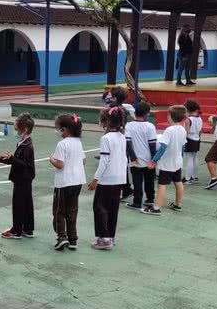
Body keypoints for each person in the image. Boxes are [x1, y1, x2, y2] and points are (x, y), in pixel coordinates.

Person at [88, 107, 127, 250]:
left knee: (100, 208)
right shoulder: (122, 136)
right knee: (113, 208)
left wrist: (95, 179)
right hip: (119, 178)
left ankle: (103, 239)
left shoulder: (106, 138)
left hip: (107, 178)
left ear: (107, 121)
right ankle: (110, 236)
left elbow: (104, 161)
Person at [0, 113, 36, 239]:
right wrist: (3, 159)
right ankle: (28, 229)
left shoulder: (27, 146)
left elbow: (23, 164)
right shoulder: (23, 143)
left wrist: (11, 158)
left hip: (22, 178)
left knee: (18, 204)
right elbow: (17, 160)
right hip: (25, 178)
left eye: (17, 129)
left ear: (25, 130)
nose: (15, 131)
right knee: (27, 203)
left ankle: (16, 230)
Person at [142, 105, 188, 215]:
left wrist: (153, 161)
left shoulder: (169, 130)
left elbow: (162, 148)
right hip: (177, 161)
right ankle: (178, 204)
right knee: (178, 182)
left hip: (167, 163)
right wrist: (180, 157)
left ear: (171, 117)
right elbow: (183, 147)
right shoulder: (183, 130)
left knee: (162, 185)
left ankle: (156, 208)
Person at [50, 114, 86, 251]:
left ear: (64, 130)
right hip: (77, 181)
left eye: (59, 129)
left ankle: (61, 237)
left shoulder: (62, 144)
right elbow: (83, 160)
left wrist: (51, 159)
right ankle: (73, 239)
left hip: (64, 182)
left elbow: (60, 164)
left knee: (59, 211)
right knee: (72, 210)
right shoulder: (78, 142)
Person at [124, 102, 157, 210]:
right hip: (148, 160)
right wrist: (154, 160)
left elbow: (128, 143)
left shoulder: (129, 125)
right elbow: (152, 145)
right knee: (149, 181)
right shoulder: (150, 126)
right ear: (147, 114)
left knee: (137, 182)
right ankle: (150, 199)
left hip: (135, 160)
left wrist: (133, 158)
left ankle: (137, 203)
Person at [183, 100, 203, 184]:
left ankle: (187, 178)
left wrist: (183, 141)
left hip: (189, 140)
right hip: (197, 139)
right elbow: (200, 131)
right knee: (195, 157)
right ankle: (194, 177)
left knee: (189, 159)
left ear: (188, 109)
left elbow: (186, 132)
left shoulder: (188, 120)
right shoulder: (199, 118)